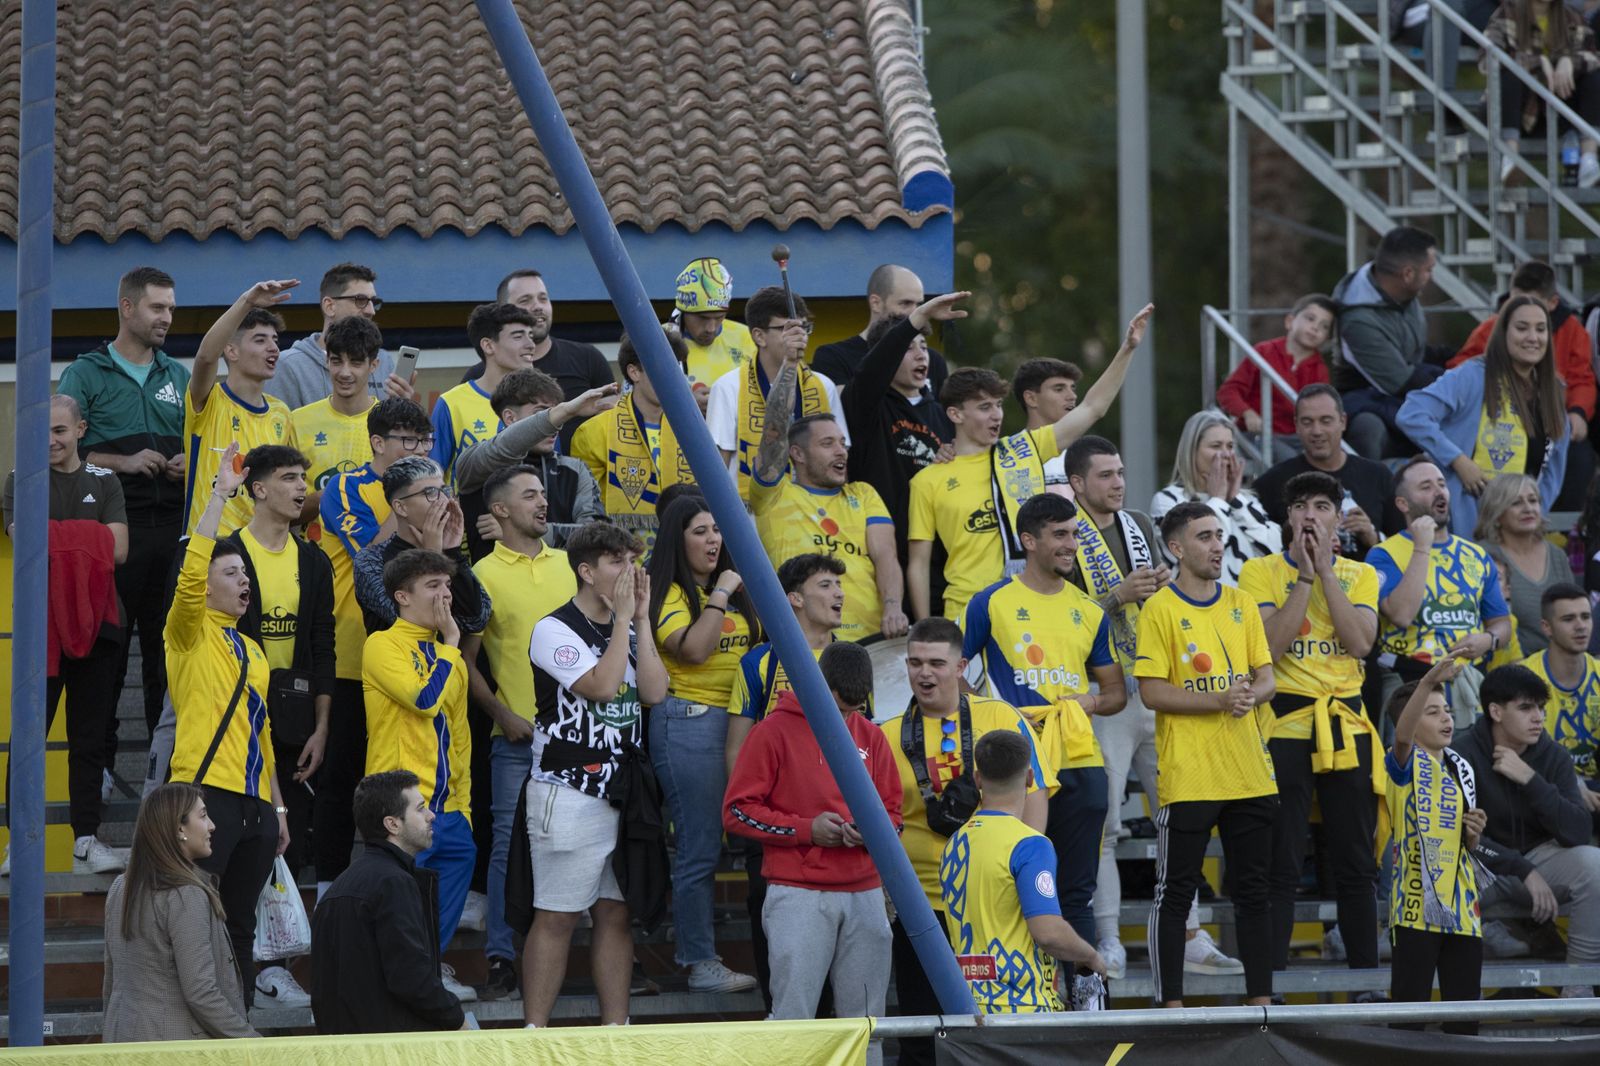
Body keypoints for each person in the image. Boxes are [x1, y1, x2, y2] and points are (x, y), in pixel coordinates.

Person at [1064, 436, 1234, 980]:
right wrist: (1117, 595)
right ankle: (1109, 939)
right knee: (1107, 825)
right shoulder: (1062, 532)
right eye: (1106, 475)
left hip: (1155, 682)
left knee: (1182, 817)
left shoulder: (1137, 522)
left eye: (1120, 472)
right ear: (1075, 484)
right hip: (1104, 691)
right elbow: (1054, 615)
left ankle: (1189, 934)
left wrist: (1159, 588)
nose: (1118, 482)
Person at [909, 304, 1153, 622]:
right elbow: (918, 562)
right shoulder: (928, 479)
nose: (996, 415)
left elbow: (1093, 407)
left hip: (1033, 605)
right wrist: (925, 626)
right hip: (967, 611)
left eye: (998, 405)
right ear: (955, 414)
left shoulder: (1023, 451)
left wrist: (1127, 349)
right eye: (984, 407)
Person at [878, 617, 1048, 1066]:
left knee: (992, 1029)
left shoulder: (999, 716)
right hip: (922, 906)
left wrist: (1023, 874)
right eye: (915, 663)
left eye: (937, 662)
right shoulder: (887, 733)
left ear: (962, 666)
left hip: (992, 905)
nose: (924, 673)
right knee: (920, 1031)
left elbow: (1036, 794)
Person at [962, 493, 1126, 951]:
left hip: (1079, 760)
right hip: (1020, 769)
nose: (1071, 543)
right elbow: (949, 671)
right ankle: (1029, 995)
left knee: (1076, 893)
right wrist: (993, 716)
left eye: (1074, 534)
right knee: (1020, 884)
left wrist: (1088, 703)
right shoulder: (990, 602)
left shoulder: (1090, 611)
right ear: (1028, 540)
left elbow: (1115, 693)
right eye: (1060, 534)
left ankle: (1086, 1004)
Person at [523, 522, 668, 1028]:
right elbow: (602, 687)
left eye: (632, 561)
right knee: (559, 914)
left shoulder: (628, 624)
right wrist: (625, 618)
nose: (630, 572)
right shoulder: (553, 628)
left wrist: (641, 621)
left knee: (616, 912)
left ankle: (616, 1031)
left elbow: (653, 692)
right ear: (586, 571)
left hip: (623, 791)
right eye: (617, 562)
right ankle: (534, 1033)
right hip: (569, 788)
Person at [724, 642, 901, 1057]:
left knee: (868, 1023)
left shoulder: (872, 736)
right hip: (797, 891)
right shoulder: (771, 731)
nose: (846, 719)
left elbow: (894, 813)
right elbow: (736, 812)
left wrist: (870, 831)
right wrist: (806, 830)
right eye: (838, 708)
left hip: (864, 893)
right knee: (794, 1020)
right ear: (816, 684)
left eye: (853, 710)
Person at [1135, 501, 1279, 1008]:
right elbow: (1151, 691)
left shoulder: (1241, 603)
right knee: (1175, 894)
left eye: (1219, 535)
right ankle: (1169, 1004)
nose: (1218, 545)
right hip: (1190, 775)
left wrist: (1248, 696)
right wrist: (1219, 700)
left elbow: (1267, 677)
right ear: (1176, 548)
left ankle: (1261, 1001)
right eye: (1205, 537)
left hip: (1250, 773)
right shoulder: (1160, 609)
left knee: (1255, 895)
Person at [1238, 472, 1381, 972]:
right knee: (1281, 861)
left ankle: (1366, 984)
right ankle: (1269, 985)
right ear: (1287, 518)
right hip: (1285, 724)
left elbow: (1361, 643)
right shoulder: (1258, 573)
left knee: (1357, 864)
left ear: (1338, 518)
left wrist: (1326, 573)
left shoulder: (1361, 575)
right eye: (1301, 506)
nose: (1310, 515)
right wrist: (1303, 575)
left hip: (1345, 723)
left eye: (1322, 506)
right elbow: (1270, 648)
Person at [164, 441, 288, 1005]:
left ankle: (237, 1022)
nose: (244, 581)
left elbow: (262, 733)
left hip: (256, 805)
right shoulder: (186, 633)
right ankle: (198, 1019)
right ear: (208, 582)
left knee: (240, 925)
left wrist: (278, 808)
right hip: (205, 794)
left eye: (246, 574)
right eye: (231, 572)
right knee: (200, 922)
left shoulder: (252, 650)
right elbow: (191, 573)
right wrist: (219, 496)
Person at [221, 445, 336, 1008]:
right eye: (290, 478)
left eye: (304, 478)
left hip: (295, 723)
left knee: (286, 844)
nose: (301, 487)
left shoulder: (312, 559)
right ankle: (238, 966)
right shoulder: (229, 552)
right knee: (249, 842)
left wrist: (320, 726)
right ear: (258, 489)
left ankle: (275, 965)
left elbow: (321, 645)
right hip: (237, 718)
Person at [460, 465, 577, 1000]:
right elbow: (468, 663)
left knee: (576, 846)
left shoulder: (571, 564)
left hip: (578, 738)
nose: (542, 503)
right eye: (529, 496)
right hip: (515, 741)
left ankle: (565, 957)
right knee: (507, 849)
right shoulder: (481, 573)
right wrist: (501, 715)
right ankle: (503, 959)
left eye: (543, 495)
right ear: (499, 510)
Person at [58, 266, 186, 737]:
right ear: (127, 308)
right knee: (106, 653)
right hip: (112, 529)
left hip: (172, 530)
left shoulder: (177, 373)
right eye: (158, 307)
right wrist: (124, 462)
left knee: (166, 653)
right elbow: (60, 450)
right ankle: (104, 765)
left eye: (171, 308)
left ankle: (166, 766)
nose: (168, 317)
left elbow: (203, 441)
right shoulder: (85, 373)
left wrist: (186, 462)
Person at [2, 396, 128, 876]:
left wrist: (55, 533)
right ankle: (21, 842)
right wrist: (85, 535)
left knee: (89, 737)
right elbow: (24, 541)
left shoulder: (106, 480)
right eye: (42, 431)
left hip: (100, 622)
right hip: (41, 626)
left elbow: (119, 549)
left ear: (80, 429)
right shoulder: (20, 479)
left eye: (59, 430)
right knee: (28, 736)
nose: (50, 440)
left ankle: (85, 841)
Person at [314, 397, 434, 894]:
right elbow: (371, 555)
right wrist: (405, 504)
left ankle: (395, 883)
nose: (416, 450)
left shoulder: (434, 487)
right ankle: (329, 886)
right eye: (406, 441)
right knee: (341, 775)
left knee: (402, 781)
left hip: (417, 657)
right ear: (377, 442)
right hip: (351, 647)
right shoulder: (343, 487)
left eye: (422, 442)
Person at [645, 496, 761, 993]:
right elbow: (693, 650)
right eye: (700, 531)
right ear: (678, 538)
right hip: (689, 721)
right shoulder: (668, 592)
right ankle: (698, 961)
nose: (713, 539)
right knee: (698, 846)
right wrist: (721, 595)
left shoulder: (735, 587)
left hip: (743, 721)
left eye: (717, 530)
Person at [723, 552, 848, 1001]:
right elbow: (737, 747)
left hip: (841, 825)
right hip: (776, 830)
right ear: (793, 598)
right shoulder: (759, 662)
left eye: (839, 584)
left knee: (842, 957)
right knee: (780, 951)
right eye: (825, 585)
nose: (838, 593)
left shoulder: (853, 658)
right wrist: (748, 822)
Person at [361, 548, 477, 1002]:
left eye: (447, 586)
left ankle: (427, 971)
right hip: (399, 811)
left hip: (447, 813)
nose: (445, 596)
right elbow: (425, 699)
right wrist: (451, 645)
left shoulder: (450, 655)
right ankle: (397, 988)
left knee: (434, 915)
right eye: (433, 587)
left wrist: (463, 809)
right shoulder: (382, 645)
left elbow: (460, 738)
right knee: (398, 910)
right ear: (402, 597)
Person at [939, 730, 1106, 1014]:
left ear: (978, 779)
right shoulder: (1030, 845)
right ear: (1030, 778)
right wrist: (1090, 955)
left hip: (965, 1006)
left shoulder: (955, 843)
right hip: (1023, 1007)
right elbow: (1048, 932)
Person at [1455, 664, 1600, 989]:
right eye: (1525, 708)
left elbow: (1577, 831)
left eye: (1540, 708)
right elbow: (1462, 835)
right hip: (1481, 865)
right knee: (1446, 876)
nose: (1538, 717)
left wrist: (1531, 780)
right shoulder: (1462, 754)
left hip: (1540, 861)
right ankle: (1462, 998)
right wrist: (1521, 868)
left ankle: (1578, 988)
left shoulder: (1554, 756)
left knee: (1595, 865)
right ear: (1495, 711)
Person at [1398, 295, 1570, 536]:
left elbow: (1554, 473)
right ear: (1503, 333)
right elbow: (1412, 414)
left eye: (1541, 329)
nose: (1533, 337)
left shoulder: (1552, 391)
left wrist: (1534, 513)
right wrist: (1458, 460)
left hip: (1518, 534)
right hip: (1468, 527)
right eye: (1522, 328)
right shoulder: (1473, 375)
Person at [310, 770, 467, 1034]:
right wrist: (456, 1019)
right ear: (392, 824)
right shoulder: (394, 883)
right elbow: (411, 978)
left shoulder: (339, 887)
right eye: (420, 809)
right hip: (391, 1048)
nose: (431, 816)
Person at [102, 783, 259, 1042]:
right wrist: (252, 1041)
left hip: (123, 1041)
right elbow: (201, 993)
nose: (212, 826)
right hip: (174, 1048)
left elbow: (111, 982)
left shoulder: (121, 887)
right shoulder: (185, 893)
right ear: (179, 829)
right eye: (203, 815)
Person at [1382, 662, 1487, 1031]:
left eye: (1447, 710)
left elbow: (1467, 845)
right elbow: (1402, 738)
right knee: (1409, 1021)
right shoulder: (1402, 763)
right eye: (1432, 711)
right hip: (1415, 907)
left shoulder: (1462, 766)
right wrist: (1427, 681)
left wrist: (1473, 831)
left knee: (1465, 1023)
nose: (1446, 718)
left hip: (1463, 908)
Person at [751, 409, 906, 642]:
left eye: (843, 443)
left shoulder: (864, 493)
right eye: (827, 443)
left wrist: (893, 606)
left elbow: (885, 556)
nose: (841, 451)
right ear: (798, 454)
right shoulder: (775, 494)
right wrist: (788, 372)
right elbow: (771, 440)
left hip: (870, 639)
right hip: (802, 644)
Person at [838, 293, 962, 571]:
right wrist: (921, 314)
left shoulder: (945, 414)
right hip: (877, 557)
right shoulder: (866, 405)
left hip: (933, 558)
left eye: (924, 346)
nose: (921, 354)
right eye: (908, 348)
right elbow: (874, 369)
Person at [1367, 458, 1513, 691]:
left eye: (1442, 484)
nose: (1439, 492)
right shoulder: (1383, 554)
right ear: (1403, 503)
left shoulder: (1476, 555)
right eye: (1426, 487)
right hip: (1409, 678)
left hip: (1469, 680)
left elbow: (1501, 623)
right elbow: (1401, 615)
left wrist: (1488, 640)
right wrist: (1422, 547)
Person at [1448, 262, 1596, 477]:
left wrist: (1578, 412)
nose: (1524, 310)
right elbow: (1461, 368)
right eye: (1515, 302)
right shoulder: (1491, 328)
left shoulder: (1573, 332)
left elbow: (1581, 378)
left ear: (1553, 302)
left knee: (1578, 460)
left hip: (1552, 421)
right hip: (1497, 421)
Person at [181, 280, 300, 538]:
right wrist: (246, 301)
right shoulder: (208, 400)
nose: (273, 348)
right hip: (210, 548)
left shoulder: (281, 413)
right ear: (231, 350)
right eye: (260, 340)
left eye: (275, 340)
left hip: (262, 550)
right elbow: (205, 357)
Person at [452, 368, 613, 558]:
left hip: (564, 585)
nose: (556, 426)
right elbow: (506, 445)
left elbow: (600, 537)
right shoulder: (474, 462)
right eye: (543, 414)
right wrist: (566, 411)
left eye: (556, 414)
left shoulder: (574, 469)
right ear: (510, 418)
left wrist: (519, 532)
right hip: (492, 586)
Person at [707, 285, 846, 500]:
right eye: (787, 329)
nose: (799, 336)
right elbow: (717, 466)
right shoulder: (727, 387)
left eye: (804, 328)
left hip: (811, 514)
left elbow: (841, 456)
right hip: (751, 517)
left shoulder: (823, 385)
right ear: (759, 336)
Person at [570, 328, 696, 553]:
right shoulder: (593, 432)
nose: (670, 378)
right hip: (621, 556)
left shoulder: (694, 430)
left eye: (675, 369)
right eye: (660, 368)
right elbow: (586, 514)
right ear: (634, 372)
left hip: (683, 554)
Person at [291, 314, 416, 533]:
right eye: (337, 361)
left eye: (356, 362)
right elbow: (282, 511)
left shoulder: (392, 425)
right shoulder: (297, 421)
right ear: (327, 361)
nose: (345, 372)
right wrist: (331, 496)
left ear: (374, 365)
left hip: (379, 559)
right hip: (316, 559)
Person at [1330, 225, 1445, 459]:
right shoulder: (1357, 320)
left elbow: (1417, 355)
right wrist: (1459, 383)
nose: (1430, 278)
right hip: (1367, 400)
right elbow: (1401, 381)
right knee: (1369, 428)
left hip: (1405, 396)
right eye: (1429, 270)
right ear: (1408, 274)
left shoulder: (1404, 294)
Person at [1250, 384, 1403, 559]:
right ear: (1297, 425)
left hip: (1368, 583)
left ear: (1343, 422)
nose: (1317, 431)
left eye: (1326, 421)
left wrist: (1374, 538)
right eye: (1307, 422)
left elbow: (1405, 549)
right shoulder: (1272, 483)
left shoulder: (1378, 476)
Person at [351, 456, 492, 638]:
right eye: (430, 493)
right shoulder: (371, 560)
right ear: (401, 508)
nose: (444, 501)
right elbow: (415, 623)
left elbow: (477, 620)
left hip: (451, 664)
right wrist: (432, 557)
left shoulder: (449, 550)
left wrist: (452, 553)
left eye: (444, 490)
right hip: (399, 664)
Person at [482, 269, 615, 447]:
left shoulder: (588, 359)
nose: (538, 306)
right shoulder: (483, 377)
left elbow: (612, 426)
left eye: (543, 298)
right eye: (525, 300)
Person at [1150, 410, 1282, 586]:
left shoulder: (1245, 500)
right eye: (1216, 446)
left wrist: (1235, 500)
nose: (1226, 454)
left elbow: (1275, 551)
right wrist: (1218, 499)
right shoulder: (1167, 500)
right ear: (1192, 451)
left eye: (1229, 446)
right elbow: (1200, 556)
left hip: (1249, 607)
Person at [1486, 0, 1600, 187]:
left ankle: (1589, 159)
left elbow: (1594, 56)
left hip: (1555, 111)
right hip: (1515, 112)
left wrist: (1569, 61)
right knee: (1509, 71)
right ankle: (1509, 158)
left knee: (1593, 75)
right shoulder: (1508, 12)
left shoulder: (1571, 16)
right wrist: (1535, 62)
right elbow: (1489, 58)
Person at [431, 302, 539, 486]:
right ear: (488, 346)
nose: (531, 345)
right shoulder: (451, 403)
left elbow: (554, 473)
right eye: (518, 336)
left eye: (531, 336)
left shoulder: (541, 403)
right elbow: (431, 476)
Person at [1215, 294, 1338, 456]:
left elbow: (1319, 409)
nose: (1316, 327)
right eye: (1310, 319)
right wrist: (1247, 412)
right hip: (1258, 435)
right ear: (1289, 321)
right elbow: (1228, 391)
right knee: (1291, 460)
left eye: (1324, 326)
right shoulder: (1263, 352)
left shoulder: (1319, 369)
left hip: (1298, 437)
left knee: (1331, 458)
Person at [269, 262, 399, 410]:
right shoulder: (289, 365)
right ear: (329, 306)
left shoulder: (383, 360)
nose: (371, 311)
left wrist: (402, 406)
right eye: (360, 300)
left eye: (373, 302)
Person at [1476, 474, 1577, 656]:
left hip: (1561, 664)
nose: (1528, 508)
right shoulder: (1482, 556)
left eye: (1533, 500)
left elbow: (1574, 612)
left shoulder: (1557, 555)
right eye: (1516, 503)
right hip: (1510, 670)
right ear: (1497, 513)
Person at [813, 264, 951, 396]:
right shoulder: (834, 357)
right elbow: (843, 410)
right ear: (876, 303)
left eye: (919, 305)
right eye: (905, 303)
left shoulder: (932, 361)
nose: (915, 314)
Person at [1524, 584, 1600, 807]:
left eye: (1585, 617)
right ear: (1547, 627)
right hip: (1543, 786)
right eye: (1568, 619)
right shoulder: (1525, 677)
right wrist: (1572, 783)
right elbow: (1514, 755)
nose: (1580, 626)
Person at [671, 256, 756, 407]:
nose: (711, 328)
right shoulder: (658, 339)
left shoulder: (748, 338)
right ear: (684, 311)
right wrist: (685, 406)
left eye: (719, 317)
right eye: (703, 318)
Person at [1012, 358, 1083, 487]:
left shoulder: (1086, 454)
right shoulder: (1009, 455)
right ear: (1031, 398)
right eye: (1059, 389)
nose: (1072, 396)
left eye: (1072, 388)